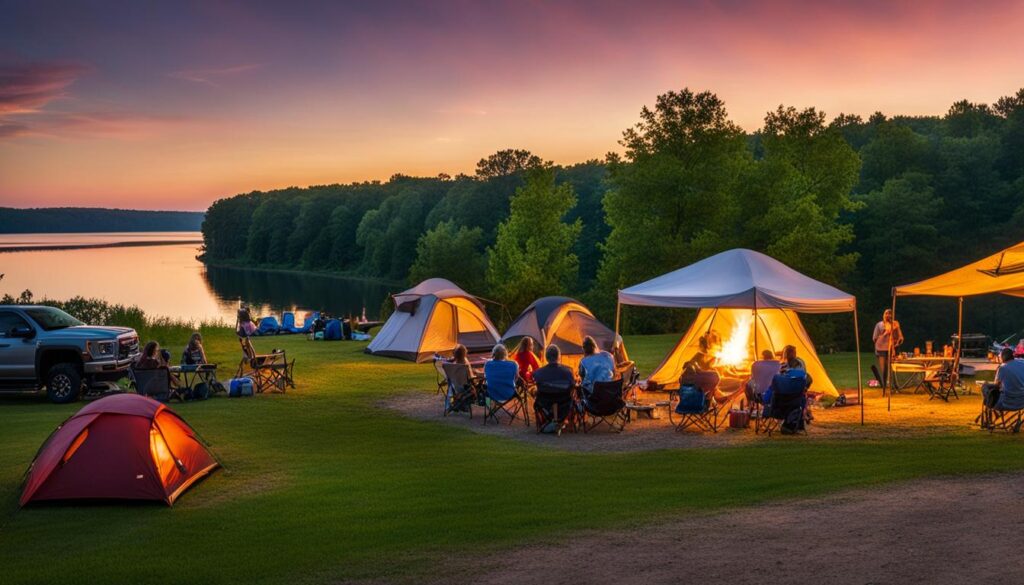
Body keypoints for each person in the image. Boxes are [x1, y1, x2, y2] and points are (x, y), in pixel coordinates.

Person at [532, 344, 577, 433]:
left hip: (545, 402)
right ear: (559, 356)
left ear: (546, 357)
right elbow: (573, 386)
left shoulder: (538, 373)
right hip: (564, 403)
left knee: (534, 391)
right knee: (574, 393)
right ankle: (564, 421)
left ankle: (547, 419)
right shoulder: (568, 371)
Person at [872, 309, 903, 386]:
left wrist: (897, 340)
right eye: (886, 313)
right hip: (881, 348)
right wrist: (884, 335)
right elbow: (874, 338)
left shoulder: (895, 324)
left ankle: (893, 384)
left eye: (890, 313)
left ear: (892, 315)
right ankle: (884, 385)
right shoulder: (879, 325)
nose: (888, 315)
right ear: (883, 315)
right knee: (883, 368)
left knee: (891, 367)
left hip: (892, 348)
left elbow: (900, 337)